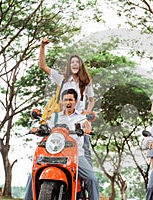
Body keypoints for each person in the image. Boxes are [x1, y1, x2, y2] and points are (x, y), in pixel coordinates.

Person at [24, 89, 99, 200]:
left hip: (75, 155)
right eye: (65, 100)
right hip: (53, 152)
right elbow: (45, 128)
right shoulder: (54, 117)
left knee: (92, 179)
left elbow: (87, 127)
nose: (68, 102)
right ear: (62, 101)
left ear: (75, 101)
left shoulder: (81, 118)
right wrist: (37, 130)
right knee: (32, 175)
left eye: (70, 100)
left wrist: (86, 130)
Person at [39, 37, 94, 165]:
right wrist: (42, 46)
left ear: (81, 66)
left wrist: (87, 113)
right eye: (72, 62)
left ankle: (88, 181)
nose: (75, 64)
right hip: (61, 121)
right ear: (69, 66)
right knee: (46, 151)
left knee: (85, 155)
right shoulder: (62, 79)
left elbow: (91, 100)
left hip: (78, 122)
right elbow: (43, 66)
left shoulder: (86, 83)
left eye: (77, 62)